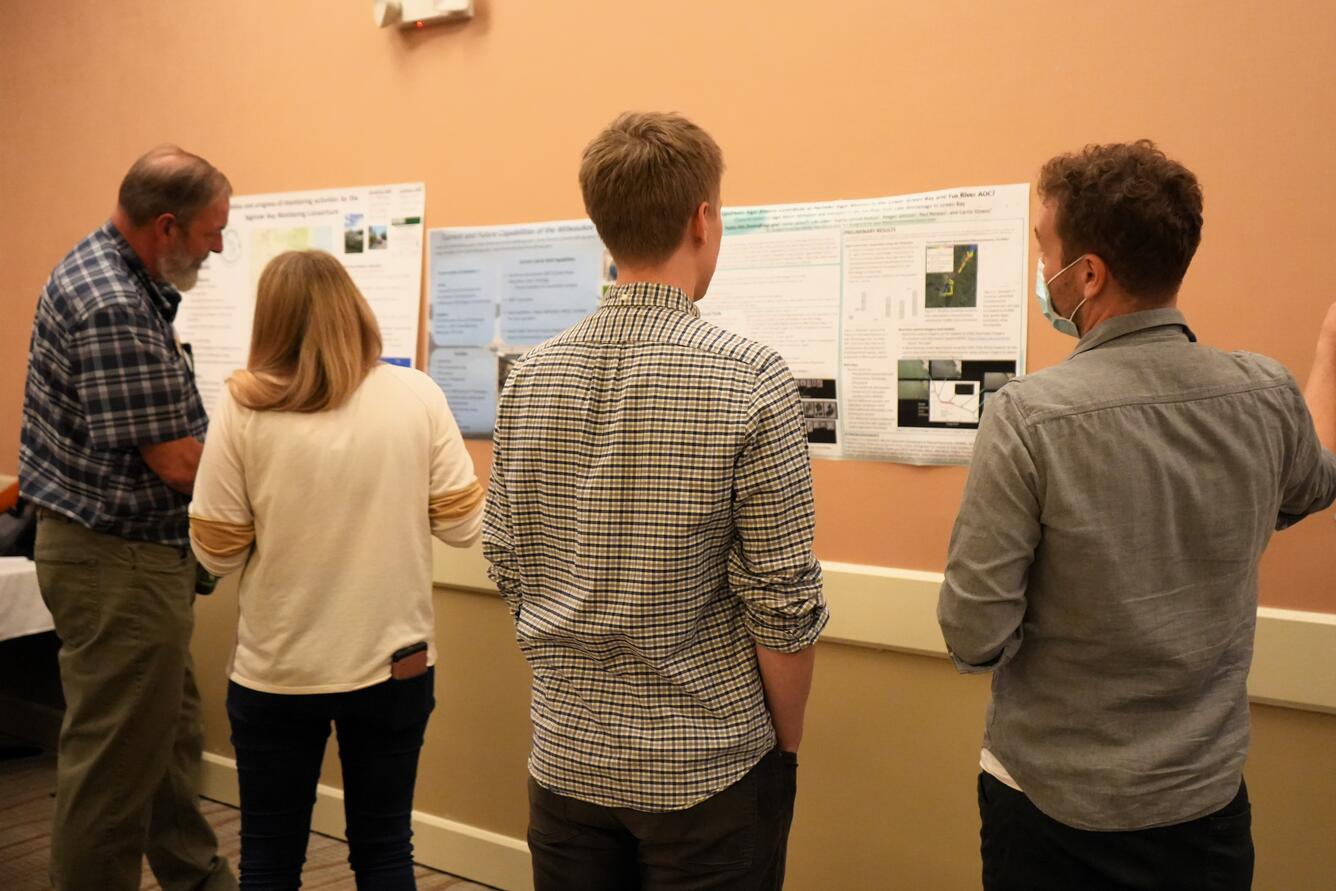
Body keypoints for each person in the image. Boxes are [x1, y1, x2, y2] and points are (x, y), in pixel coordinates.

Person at [937, 140, 1336, 891]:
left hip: (1052, 814)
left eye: (1042, 248)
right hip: (1205, 814)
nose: (1040, 271)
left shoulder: (1029, 417)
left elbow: (973, 634)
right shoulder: (1264, 396)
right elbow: (1315, 480)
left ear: (1087, 274)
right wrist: (1328, 352)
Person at [482, 111, 830, 891]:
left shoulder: (529, 378)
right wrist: (785, 748)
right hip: (708, 767)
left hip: (566, 757)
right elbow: (783, 599)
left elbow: (504, 554)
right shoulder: (750, 377)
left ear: (602, 224)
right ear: (702, 219)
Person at [188, 250, 484, 889]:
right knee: (384, 850)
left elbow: (216, 552)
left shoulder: (245, 407)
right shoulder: (417, 395)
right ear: (354, 309)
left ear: (271, 322)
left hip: (277, 671)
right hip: (396, 666)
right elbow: (465, 527)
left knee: (269, 857)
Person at [20, 145, 237, 891]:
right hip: (117, 562)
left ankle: (197, 875)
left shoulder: (114, 275)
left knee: (167, 739)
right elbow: (177, 462)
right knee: (113, 765)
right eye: (212, 231)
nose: (218, 245)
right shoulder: (112, 299)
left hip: (133, 558)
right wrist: (276, 467)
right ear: (167, 225)